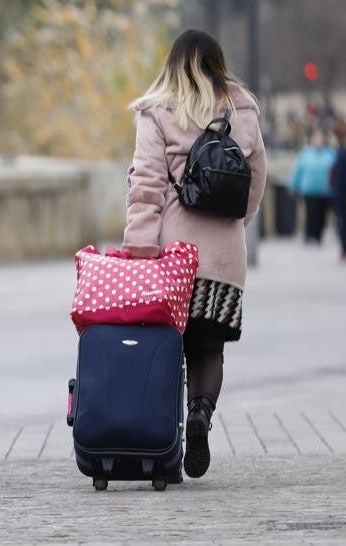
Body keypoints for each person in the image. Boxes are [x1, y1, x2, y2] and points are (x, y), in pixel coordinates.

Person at [122, 29, 267, 480]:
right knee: (208, 348)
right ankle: (200, 412)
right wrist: (235, 224)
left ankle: (163, 443)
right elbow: (256, 180)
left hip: (173, 258)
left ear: (173, 63)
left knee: (165, 349)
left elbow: (146, 185)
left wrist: (140, 248)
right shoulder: (243, 109)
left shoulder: (158, 110)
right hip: (224, 260)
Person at [288, 131, 337, 245]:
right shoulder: (306, 154)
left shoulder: (330, 154)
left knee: (322, 215)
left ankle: (318, 235)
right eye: (316, 139)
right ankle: (309, 235)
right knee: (311, 214)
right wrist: (293, 184)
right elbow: (298, 170)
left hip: (325, 191)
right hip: (309, 190)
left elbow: (335, 172)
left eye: (320, 139)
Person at [332, 126, 346, 261]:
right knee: (342, 222)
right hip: (341, 193)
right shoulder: (340, 151)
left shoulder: (340, 152)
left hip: (340, 193)